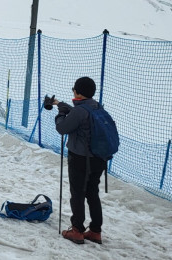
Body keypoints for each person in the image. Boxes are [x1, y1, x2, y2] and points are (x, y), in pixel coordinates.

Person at [55, 77, 107, 244]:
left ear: (77, 92)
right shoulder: (97, 107)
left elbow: (62, 128)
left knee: (77, 193)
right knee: (92, 193)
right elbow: (82, 116)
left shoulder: (79, 111)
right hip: (98, 159)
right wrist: (65, 107)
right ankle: (95, 231)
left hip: (80, 158)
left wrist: (61, 113)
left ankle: (77, 230)